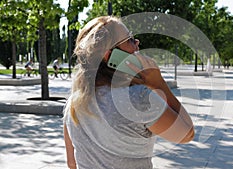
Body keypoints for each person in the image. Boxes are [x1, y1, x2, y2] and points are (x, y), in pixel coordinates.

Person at [63, 16, 195, 169]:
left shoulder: (73, 103)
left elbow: (72, 163)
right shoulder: (138, 98)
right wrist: (158, 84)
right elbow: (187, 134)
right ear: (109, 56)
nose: (137, 43)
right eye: (130, 40)